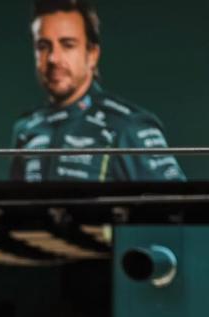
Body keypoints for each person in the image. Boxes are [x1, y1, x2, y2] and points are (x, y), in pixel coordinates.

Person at [10, 0, 185, 182]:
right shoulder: (26, 127)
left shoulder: (128, 126)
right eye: (43, 46)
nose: (53, 58)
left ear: (92, 54)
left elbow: (176, 204)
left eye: (68, 45)